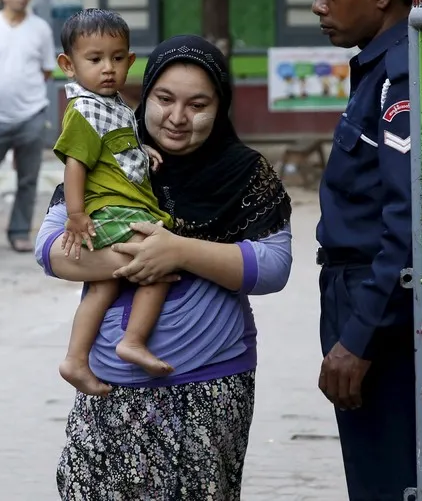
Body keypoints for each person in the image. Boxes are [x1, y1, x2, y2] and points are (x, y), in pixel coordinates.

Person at [35, 34, 293, 499]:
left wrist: (179, 251)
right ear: (145, 92)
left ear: (221, 106)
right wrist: (130, 258)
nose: (177, 118)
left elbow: (274, 267)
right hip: (108, 384)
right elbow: (51, 250)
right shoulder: (110, 152)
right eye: (164, 99)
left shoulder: (243, 172)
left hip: (212, 380)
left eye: (197, 104)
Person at [278, 0, 416, 499]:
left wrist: (358, 337)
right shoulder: (377, 69)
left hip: (377, 306)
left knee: (386, 479)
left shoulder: (399, 77)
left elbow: (408, 223)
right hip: (357, 293)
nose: (317, 5)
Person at [53, 9, 174, 395]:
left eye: (117, 58)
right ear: (68, 65)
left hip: (127, 207)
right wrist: (75, 214)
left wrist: (146, 150)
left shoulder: (115, 104)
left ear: (131, 60)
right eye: (95, 59)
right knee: (157, 260)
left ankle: (75, 359)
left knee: (103, 287)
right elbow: (76, 165)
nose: (108, 68)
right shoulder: (85, 109)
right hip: (112, 210)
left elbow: (118, 149)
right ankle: (133, 340)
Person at [0, 0, 56, 253]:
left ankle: (19, 231)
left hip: (31, 115)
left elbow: (46, 71)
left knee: (28, 179)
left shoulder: (40, 29)